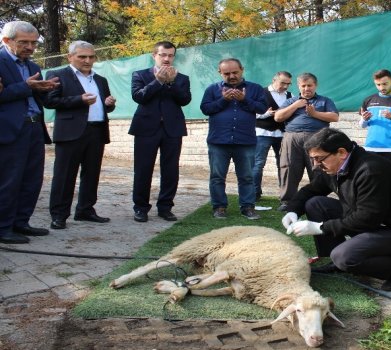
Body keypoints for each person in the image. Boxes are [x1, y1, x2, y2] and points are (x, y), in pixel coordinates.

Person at [281, 128, 391, 291]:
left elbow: (367, 218)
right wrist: (292, 210)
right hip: (373, 223)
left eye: (319, 159)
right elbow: (311, 190)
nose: (315, 165)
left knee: (344, 257)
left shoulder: (371, 170)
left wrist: (320, 227)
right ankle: (335, 262)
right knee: (316, 203)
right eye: (313, 159)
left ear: (341, 153)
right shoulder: (334, 166)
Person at [43, 41, 115, 230]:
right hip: (70, 133)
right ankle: (59, 215)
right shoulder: (57, 75)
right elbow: (50, 101)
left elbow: (106, 105)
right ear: (70, 57)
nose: (87, 60)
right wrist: (79, 100)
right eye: (82, 56)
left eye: (91, 57)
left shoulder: (100, 79)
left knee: (92, 174)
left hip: (97, 131)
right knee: (64, 175)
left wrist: (109, 103)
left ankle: (85, 210)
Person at [0, 21, 59, 243]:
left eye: (34, 43)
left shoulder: (34, 67)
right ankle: (3, 227)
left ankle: (21, 222)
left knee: (32, 179)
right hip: (10, 130)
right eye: (24, 42)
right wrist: (27, 87)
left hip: (35, 127)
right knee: (9, 180)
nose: (30, 47)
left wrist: (48, 89)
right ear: (7, 41)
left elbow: (35, 96)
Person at [129, 41, 191, 223]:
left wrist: (171, 84)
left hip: (173, 129)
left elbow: (185, 100)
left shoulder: (182, 78)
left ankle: (165, 207)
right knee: (142, 169)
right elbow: (139, 96)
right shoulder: (140, 75)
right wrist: (159, 82)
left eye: (170, 55)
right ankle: (140, 208)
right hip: (145, 128)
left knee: (170, 170)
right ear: (154, 55)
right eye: (163, 55)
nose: (167, 58)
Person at [201, 58, 267, 220]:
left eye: (235, 72)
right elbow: (205, 109)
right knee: (217, 177)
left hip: (245, 141)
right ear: (220, 73)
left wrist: (244, 99)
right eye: (227, 73)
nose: (231, 76)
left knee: (246, 176)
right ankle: (219, 207)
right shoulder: (212, 89)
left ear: (242, 70)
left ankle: (247, 207)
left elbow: (262, 108)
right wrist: (224, 100)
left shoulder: (255, 89)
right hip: (218, 141)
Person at [274, 72, 339, 212]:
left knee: (317, 170)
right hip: (292, 138)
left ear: (315, 85)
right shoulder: (291, 101)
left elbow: (334, 117)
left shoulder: (324, 101)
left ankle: (316, 199)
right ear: (299, 86)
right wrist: (296, 105)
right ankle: (287, 201)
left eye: (309, 85)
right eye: (303, 86)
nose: (306, 88)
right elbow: (278, 117)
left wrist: (315, 114)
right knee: (288, 168)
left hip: (316, 139)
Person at [252, 71, 292, 201]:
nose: (285, 86)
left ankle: (284, 194)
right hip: (262, 133)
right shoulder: (260, 93)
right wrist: (266, 114)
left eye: (288, 84)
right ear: (274, 80)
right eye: (283, 83)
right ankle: (254, 193)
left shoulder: (291, 96)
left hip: (282, 134)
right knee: (258, 163)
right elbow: (251, 113)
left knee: (283, 164)